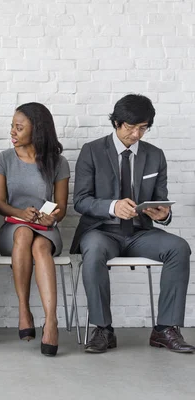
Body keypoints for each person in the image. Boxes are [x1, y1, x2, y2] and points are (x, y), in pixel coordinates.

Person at [72, 94, 194, 354]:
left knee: (179, 247)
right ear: (116, 123)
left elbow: (161, 201)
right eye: (131, 127)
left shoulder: (155, 156)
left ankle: (165, 328)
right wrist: (112, 206)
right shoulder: (92, 151)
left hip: (141, 233)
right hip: (102, 231)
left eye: (143, 128)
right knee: (92, 252)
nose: (137, 134)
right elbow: (81, 201)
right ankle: (103, 328)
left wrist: (163, 215)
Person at [0, 102, 70, 357]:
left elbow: (61, 207)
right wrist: (20, 213)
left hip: (46, 230)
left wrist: (51, 217)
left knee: (40, 246)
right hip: (13, 229)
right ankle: (24, 308)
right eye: (12, 126)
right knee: (25, 235)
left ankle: (50, 321)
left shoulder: (58, 162)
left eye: (19, 127)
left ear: (37, 131)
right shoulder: (4, 159)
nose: (12, 132)